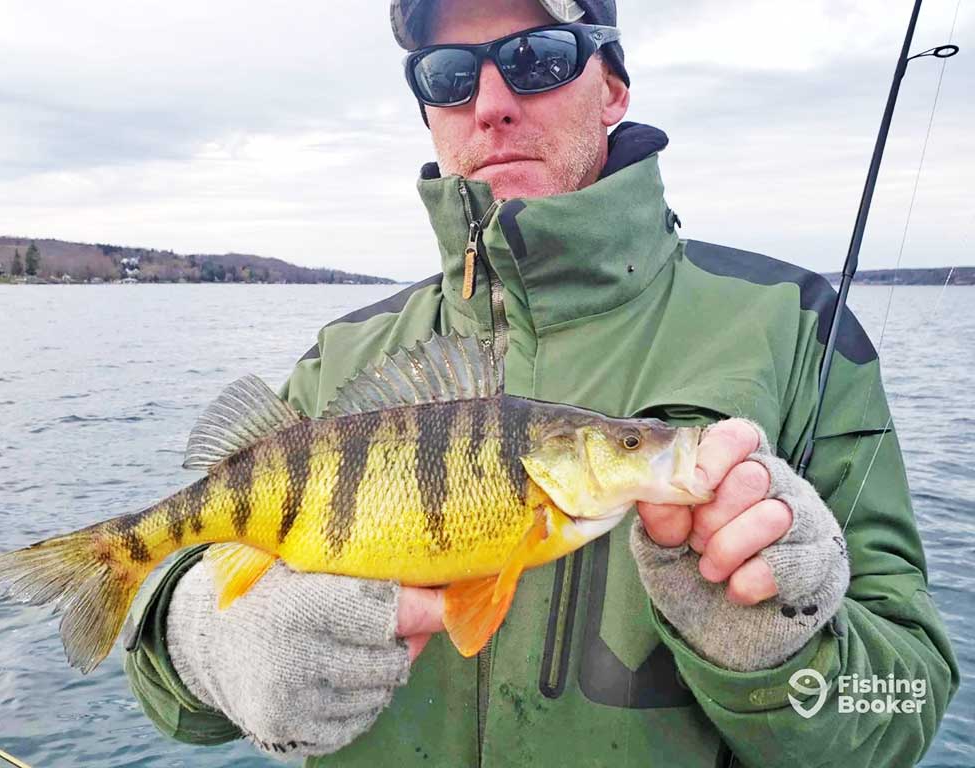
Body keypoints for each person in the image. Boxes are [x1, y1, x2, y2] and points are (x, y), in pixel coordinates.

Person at [123, 1, 960, 765]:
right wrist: (201, 640)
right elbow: (167, 674)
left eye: (537, 56)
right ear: (429, 114)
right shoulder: (347, 355)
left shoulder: (800, 332)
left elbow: (908, 697)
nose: (490, 103)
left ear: (613, 88)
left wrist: (781, 648)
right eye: (450, 76)